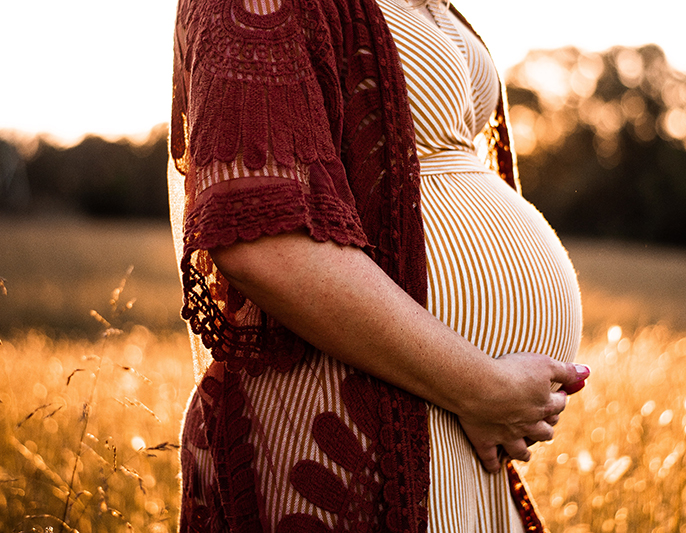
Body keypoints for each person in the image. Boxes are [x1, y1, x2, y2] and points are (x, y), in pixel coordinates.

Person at [167, 0, 589, 529]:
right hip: (349, 412)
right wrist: (482, 386)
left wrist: (488, 392)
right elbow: (261, 238)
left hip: (455, 416)